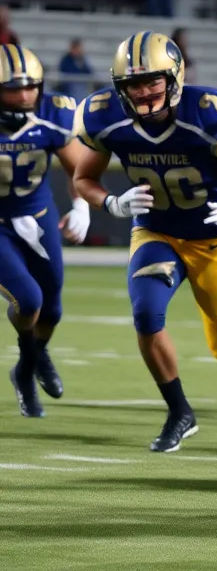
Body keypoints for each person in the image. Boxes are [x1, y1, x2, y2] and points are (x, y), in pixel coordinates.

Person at [73, 31, 217, 452]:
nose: (144, 92)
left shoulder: (208, 113)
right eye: (133, 85)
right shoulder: (107, 118)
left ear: (175, 77)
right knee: (146, 314)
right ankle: (179, 411)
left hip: (213, 237)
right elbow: (82, 177)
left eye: (152, 82)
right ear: (119, 87)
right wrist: (110, 202)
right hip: (156, 231)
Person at [2, 45, 91, 418]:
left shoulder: (54, 113)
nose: (25, 96)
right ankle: (30, 359)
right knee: (29, 299)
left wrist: (82, 205)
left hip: (38, 217)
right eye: (13, 88)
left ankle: (27, 366)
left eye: (31, 87)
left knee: (51, 308)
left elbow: (79, 169)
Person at [57, 38, 94, 103]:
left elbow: (89, 72)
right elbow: (65, 71)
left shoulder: (82, 59)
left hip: (81, 86)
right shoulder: (66, 60)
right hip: (68, 87)